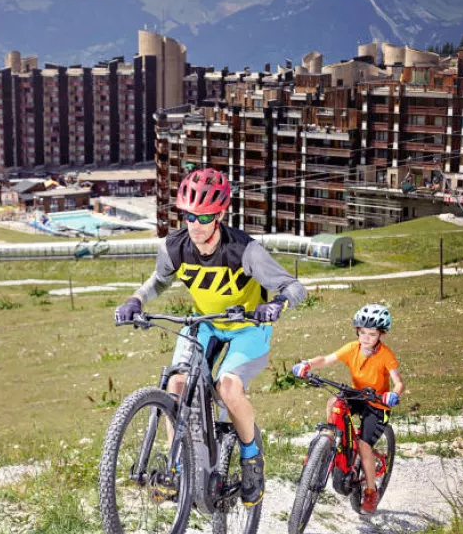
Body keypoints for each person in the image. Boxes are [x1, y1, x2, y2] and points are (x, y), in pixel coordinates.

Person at [114, 168, 306, 507]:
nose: (195, 224)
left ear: (219, 215)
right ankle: (177, 470)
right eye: (190, 216)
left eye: (204, 217)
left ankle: (251, 458)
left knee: (228, 387)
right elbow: (158, 281)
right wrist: (136, 299)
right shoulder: (175, 247)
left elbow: (295, 287)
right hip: (205, 323)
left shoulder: (245, 251)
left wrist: (275, 305)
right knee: (175, 385)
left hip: (248, 326)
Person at [292, 304, 405, 514]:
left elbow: (398, 381)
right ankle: (330, 440)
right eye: (362, 332)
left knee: (363, 446)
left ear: (381, 334)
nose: (366, 337)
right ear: (357, 331)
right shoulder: (352, 348)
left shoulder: (386, 355)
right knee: (335, 403)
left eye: (372, 334)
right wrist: (307, 364)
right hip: (357, 395)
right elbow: (326, 359)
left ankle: (371, 491)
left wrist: (393, 394)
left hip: (377, 403)